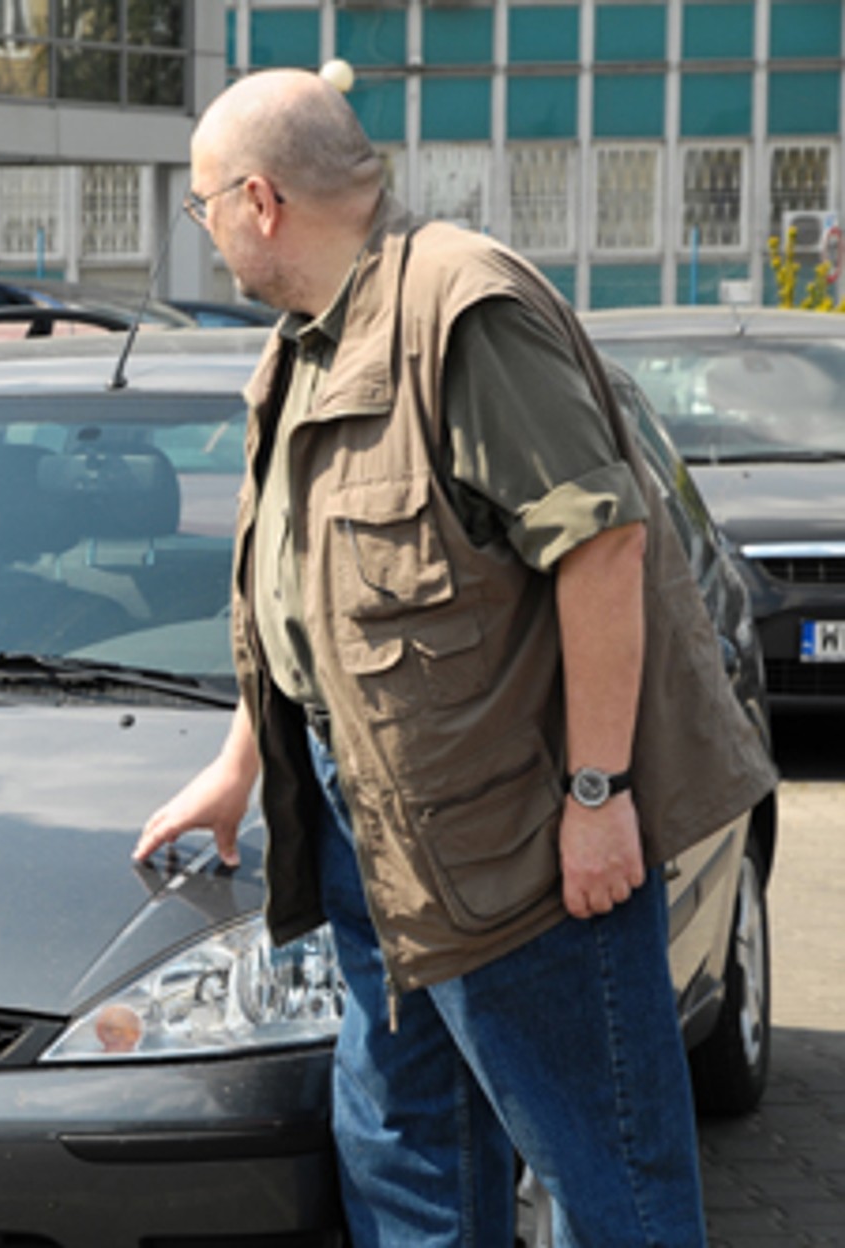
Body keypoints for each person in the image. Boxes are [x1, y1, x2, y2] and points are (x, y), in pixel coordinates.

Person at [133, 69, 777, 1247]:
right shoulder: (302, 350)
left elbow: (600, 548)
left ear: (260, 200)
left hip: (515, 849)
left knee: (606, 1180)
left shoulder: (459, 310)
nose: (204, 229)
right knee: (407, 1164)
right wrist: (238, 766)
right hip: (368, 830)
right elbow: (300, 597)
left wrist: (595, 796)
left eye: (201, 203)